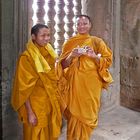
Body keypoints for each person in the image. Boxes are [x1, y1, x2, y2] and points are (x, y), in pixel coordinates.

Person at [56, 15, 113, 140]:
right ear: (75, 26)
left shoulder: (97, 41)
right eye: (79, 24)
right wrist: (71, 55)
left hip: (92, 85)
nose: (81, 26)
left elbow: (108, 61)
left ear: (90, 25)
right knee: (74, 116)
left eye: (85, 23)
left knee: (88, 116)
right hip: (74, 84)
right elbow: (62, 65)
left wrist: (94, 56)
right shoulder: (69, 43)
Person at [11, 23, 62, 140]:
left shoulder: (50, 54)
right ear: (33, 37)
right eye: (43, 36)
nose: (47, 38)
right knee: (35, 134)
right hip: (35, 105)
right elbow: (23, 89)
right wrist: (30, 112)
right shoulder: (26, 58)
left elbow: (54, 77)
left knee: (49, 133)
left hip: (49, 102)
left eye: (48, 35)